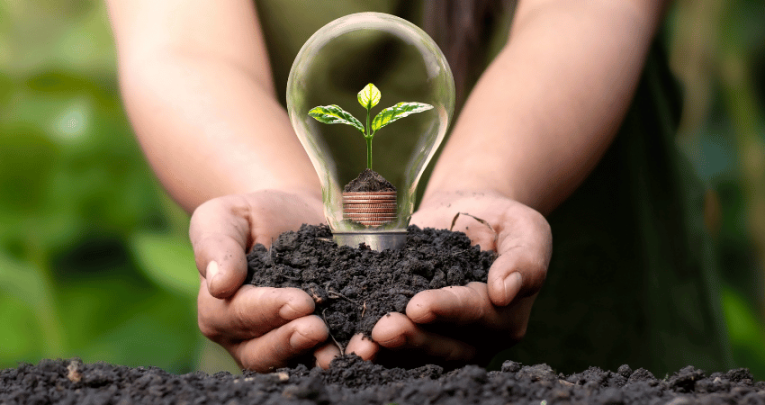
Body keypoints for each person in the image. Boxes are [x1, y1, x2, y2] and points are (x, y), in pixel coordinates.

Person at [106, 0, 732, 374]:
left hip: (597, 349)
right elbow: (183, 46)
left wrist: (480, 188)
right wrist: (293, 217)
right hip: (294, 360)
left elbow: (585, 12)